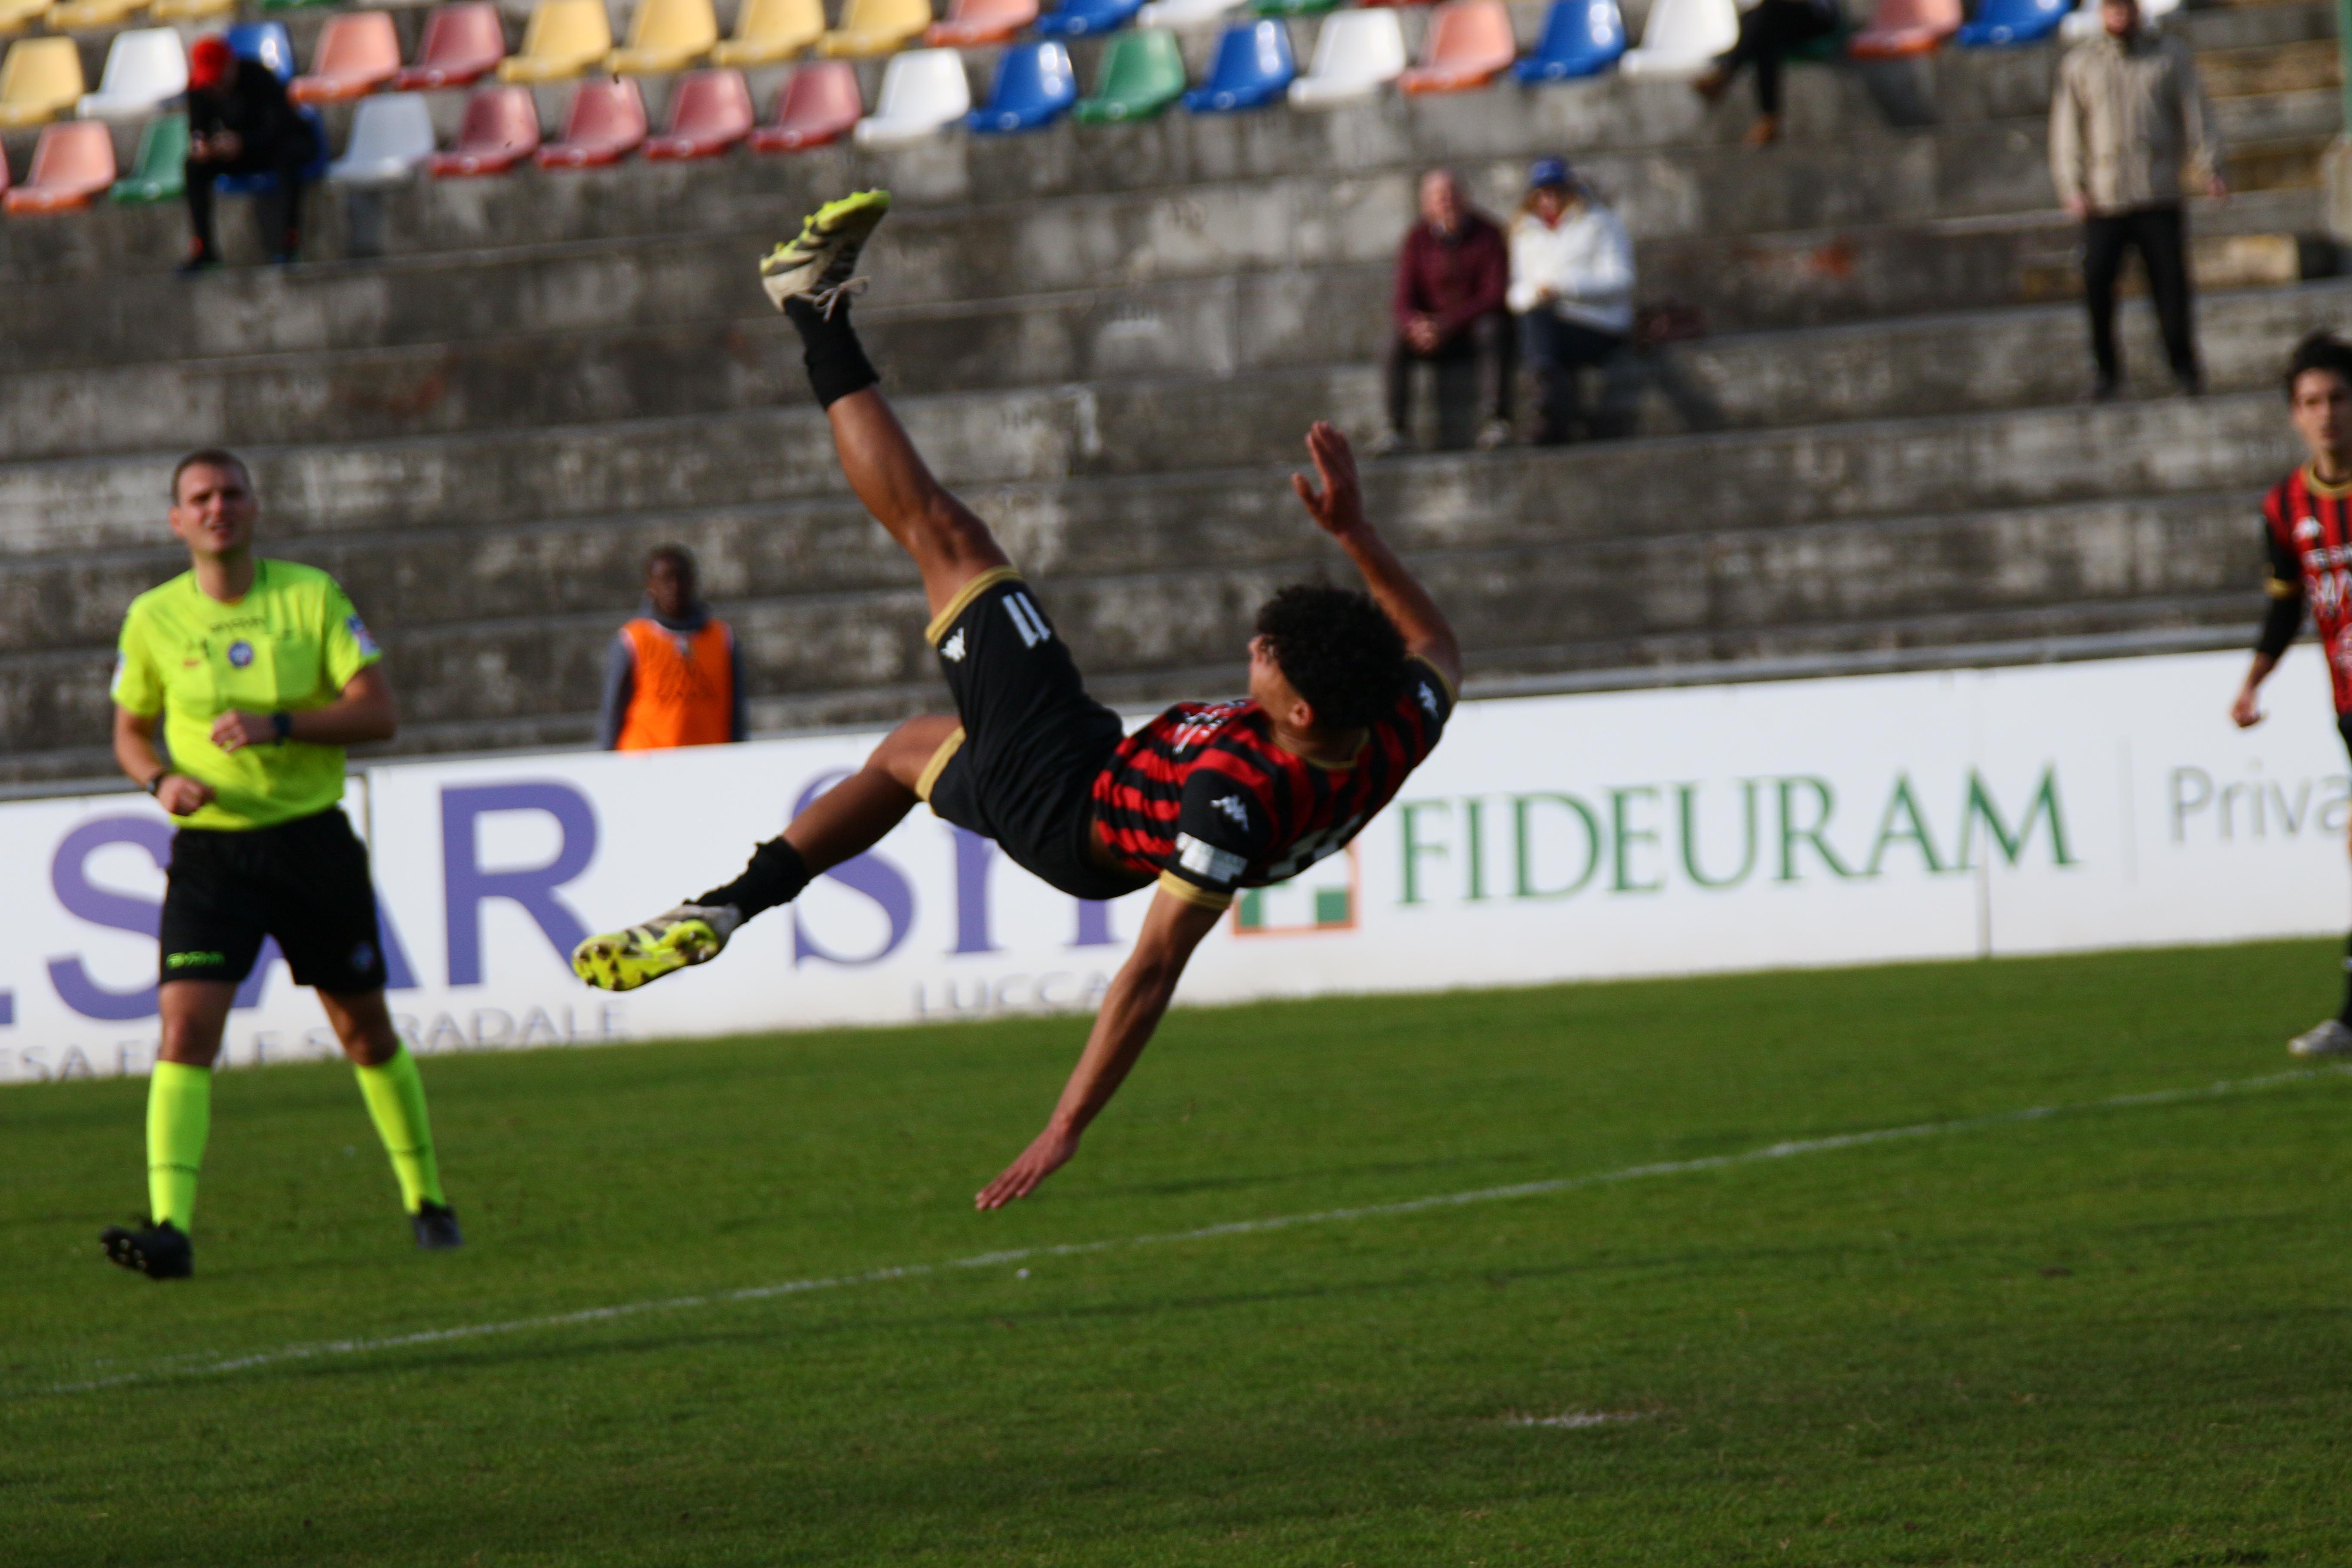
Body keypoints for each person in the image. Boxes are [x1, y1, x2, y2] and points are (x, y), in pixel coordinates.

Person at [572, 191, 1462, 1210]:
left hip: (1066, 803)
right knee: (904, 756)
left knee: (947, 537)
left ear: (1299, 715)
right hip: (1091, 775)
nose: (1255, 651)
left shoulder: (1234, 796)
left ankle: (811, 309)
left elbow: (1151, 971)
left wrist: (1065, 1126)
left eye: (1272, 661)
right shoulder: (1394, 719)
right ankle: (730, 906)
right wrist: (1353, 534)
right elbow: (1436, 644)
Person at [101, 449, 459, 1280]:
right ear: (177, 520)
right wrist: (159, 781)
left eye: (231, 493)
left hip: (310, 844)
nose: (217, 507)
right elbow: (129, 732)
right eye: (200, 497)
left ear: (255, 507)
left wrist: (282, 725)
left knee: (363, 1031)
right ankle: (170, 1227)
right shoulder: (153, 617)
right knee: (185, 1029)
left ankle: (428, 1200)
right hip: (212, 853)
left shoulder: (311, 595)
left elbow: (379, 712)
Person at [2231, 333, 2352, 1057]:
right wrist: (2253, 682)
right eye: (2311, 402)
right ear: (2294, 415)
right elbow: (2286, 604)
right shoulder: (2285, 506)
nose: (2326, 413)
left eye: (2337, 398)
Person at [2048, 0, 2225, 400]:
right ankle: (2106, 372)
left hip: (2158, 192)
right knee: (2097, 283)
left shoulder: (2169, 55)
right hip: (2105, 197)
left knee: (2170, 286)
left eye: (2125, 7)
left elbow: (2196, 112)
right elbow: (2067, 131)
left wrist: (2210, 166)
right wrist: (2072, 185)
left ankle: (2184, 369)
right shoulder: (2081, 65)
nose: (2120, 15)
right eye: (2112, 8)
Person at [1373, 169, 1512, 457]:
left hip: (1470, 330)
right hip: (1432, 335)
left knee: (1493, 329)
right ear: (1426, 204)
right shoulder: (1416, 239)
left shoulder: (1489, 235)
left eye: (1451, 195)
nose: (1447, 202)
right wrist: (1415, 326)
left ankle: (1496, 420)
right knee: (1393, 341)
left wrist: (1447, 324)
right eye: (1438, 197)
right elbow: (1402, 299)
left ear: (1465, 198)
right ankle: (1394, 429)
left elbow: (1494, 295)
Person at [1507, 159, 1635, 447]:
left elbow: (1622, 281)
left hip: (1598, 324)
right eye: (1542, 193)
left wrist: (1566, 289)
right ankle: (1549, 406)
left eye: (1556, 191)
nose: (1549, 200)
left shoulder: (1601, 224)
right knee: (1536, 325)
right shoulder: (1524, 232)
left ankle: (1547, 407)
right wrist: (1537, 295)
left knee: (1539, 339)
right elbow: (1515, 290)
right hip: (1549, 324)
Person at [181, 34, 320, 273]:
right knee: (194, 168)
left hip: (275, 144)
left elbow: (279, 125)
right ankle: (204, 248)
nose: (215, 88)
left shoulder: (258, 77)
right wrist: (202, 145)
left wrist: (244, 142)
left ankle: (289, 241)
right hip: (240, 153)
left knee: (286, 156)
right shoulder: (199, 89)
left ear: (231, 66)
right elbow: (198, 127)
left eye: (218, 80)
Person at [597, 545, 748, 751]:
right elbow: (612, 709)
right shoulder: (632, 639)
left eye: (681, 578)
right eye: (666, 579)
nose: (674, 587)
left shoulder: (722, 638)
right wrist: (608, 759)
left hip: (708, 758)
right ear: (651, 585)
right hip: (647, 760)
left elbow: (736, 710)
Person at [1693, 0, 1838, 147]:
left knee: (1767, 16)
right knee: (1765, 34)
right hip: (1784, 18)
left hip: (1818, 16)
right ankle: (1769, 118)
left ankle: (1725, 75)